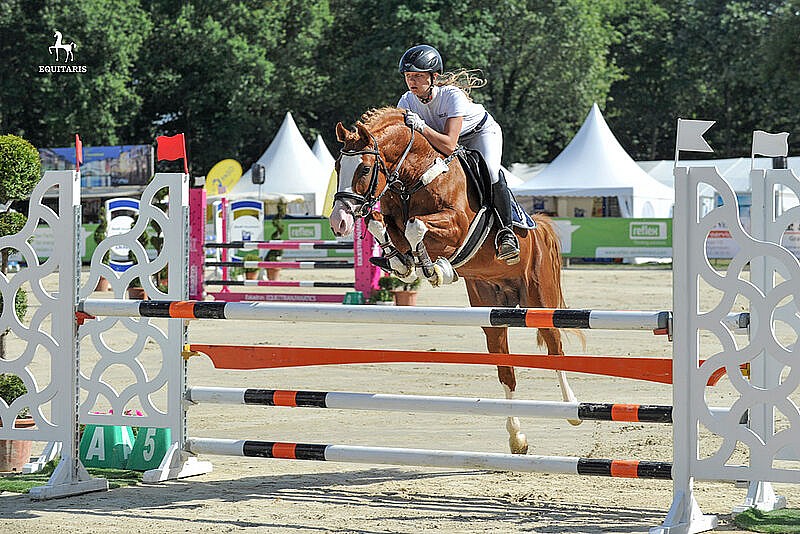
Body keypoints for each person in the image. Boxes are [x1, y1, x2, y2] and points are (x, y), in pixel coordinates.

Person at [397, 44, 520, 265]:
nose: (411, 81)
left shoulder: (451, 95)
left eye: (417, 76)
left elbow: (450, 145)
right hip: (440, 140)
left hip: (479, 133)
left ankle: (506, 232)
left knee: (491, 171)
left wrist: (422, 127)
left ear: (434, 77)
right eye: (408, 76)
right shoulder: (406, 102)